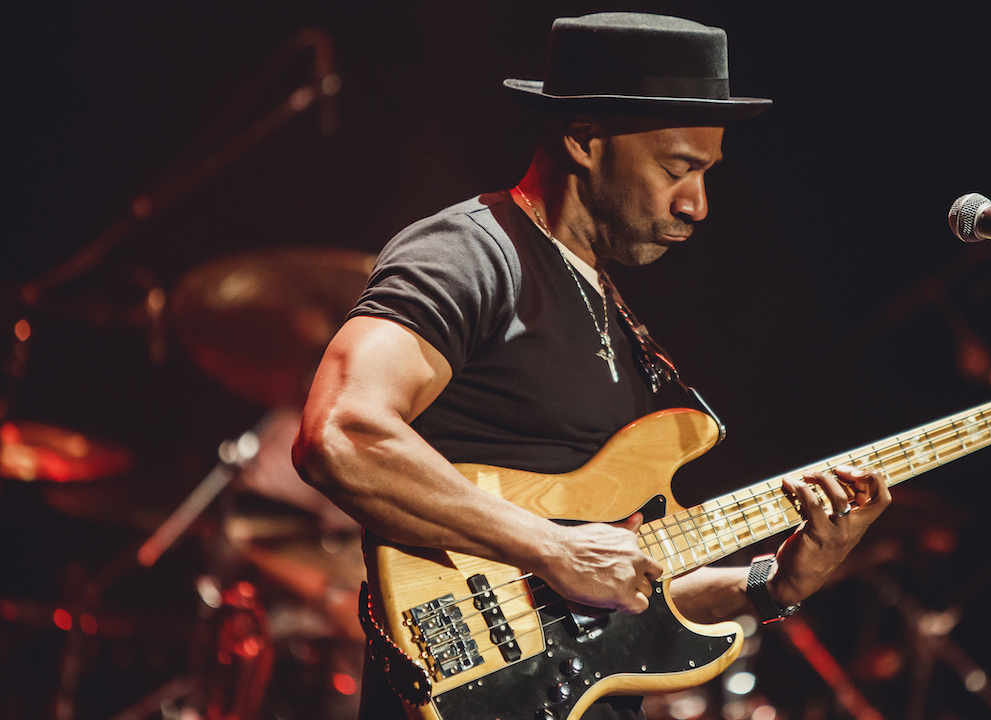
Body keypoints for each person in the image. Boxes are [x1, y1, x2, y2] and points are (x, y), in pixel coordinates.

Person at [292, 12, 890, 720]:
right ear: (584, 141)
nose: (698, 204)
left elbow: (614, 604)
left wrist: (771, 585)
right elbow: (341, 435)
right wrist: (550, 546)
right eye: (678, 168)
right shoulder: (473, 255)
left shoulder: (612, 313)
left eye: (706, 172)